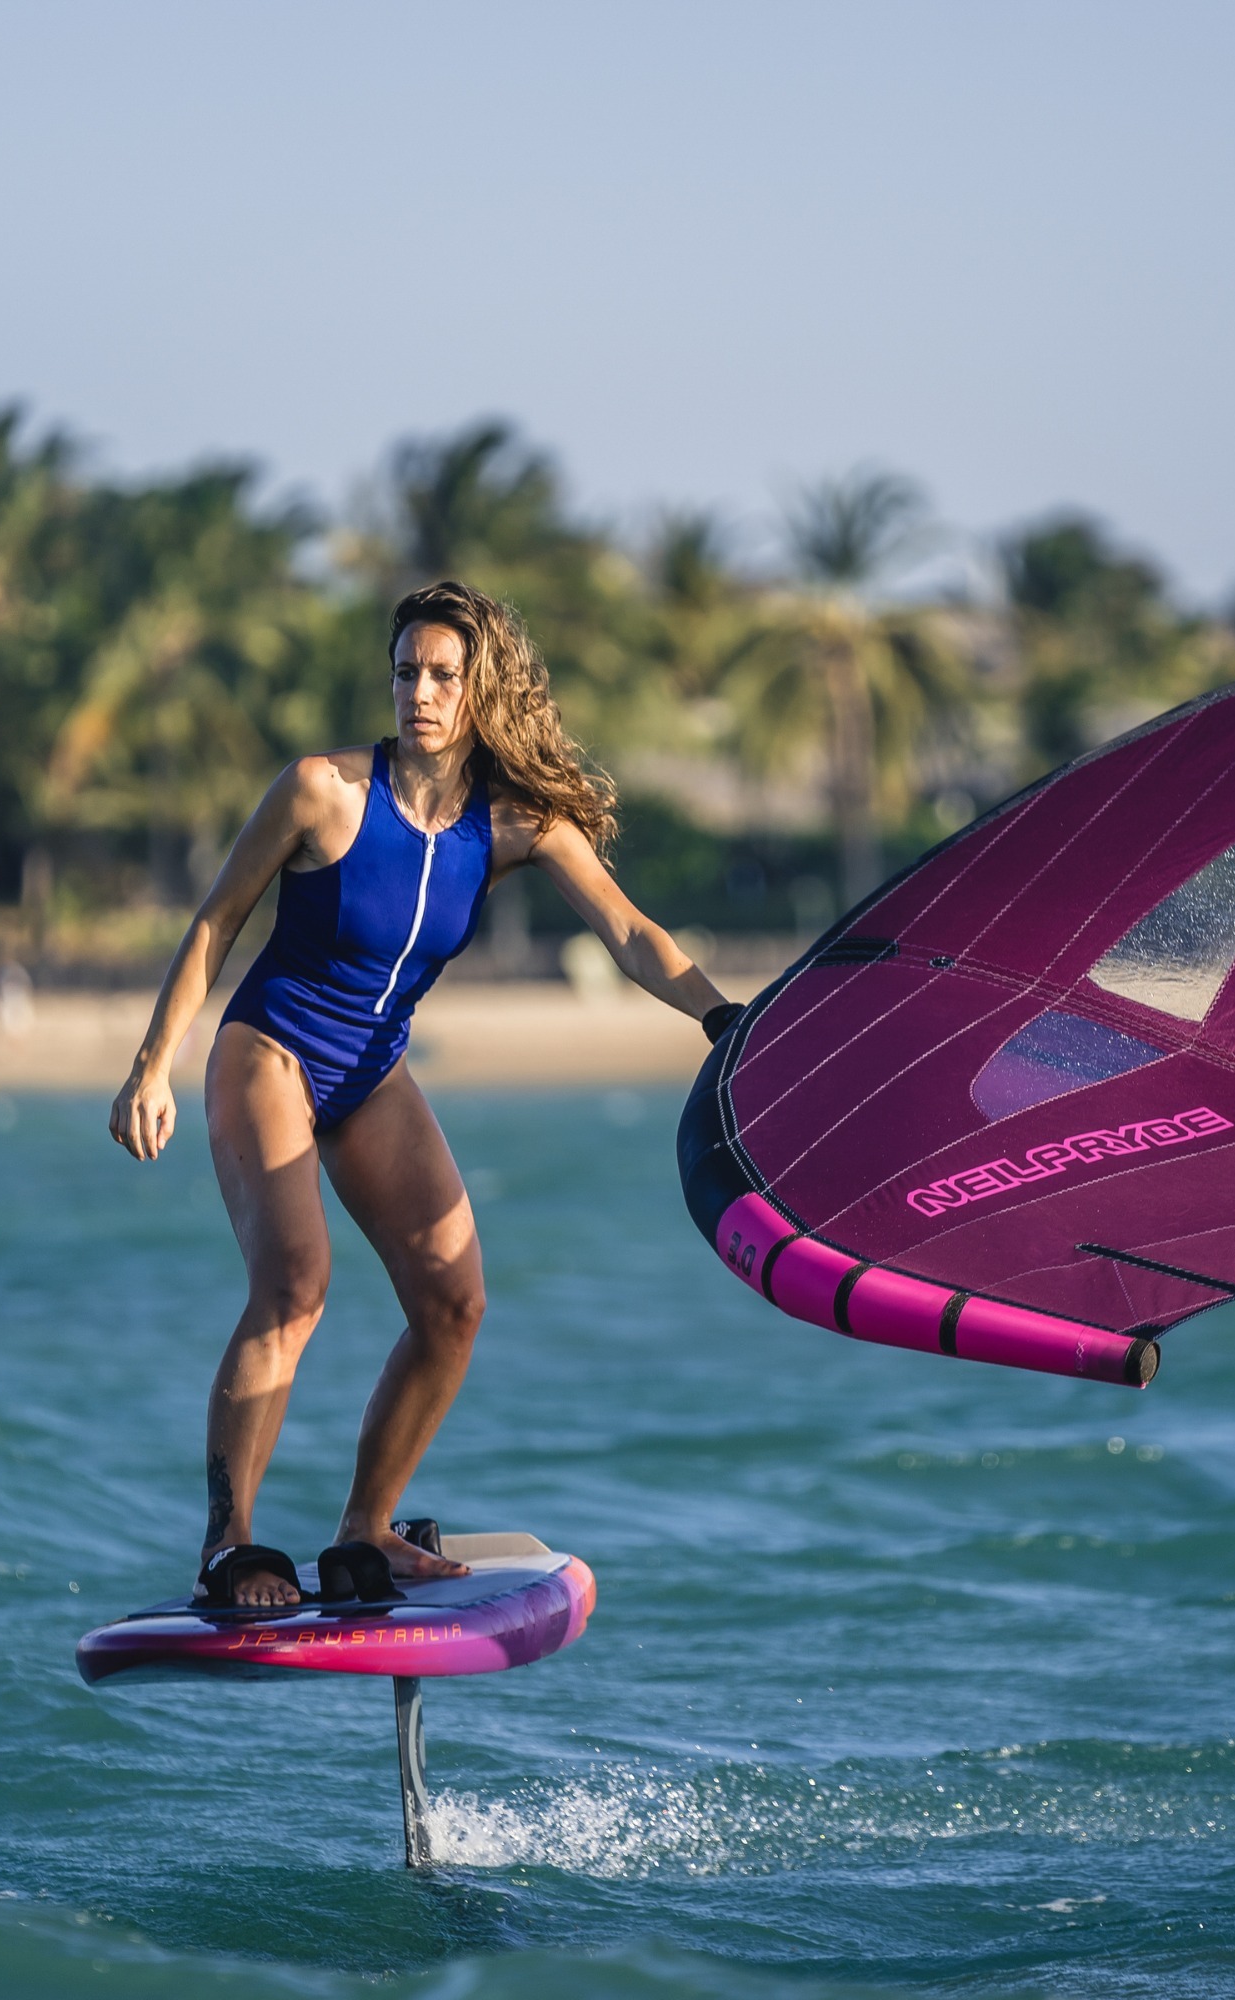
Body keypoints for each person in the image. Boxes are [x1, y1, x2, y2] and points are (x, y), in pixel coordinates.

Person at [109, 581, 737, 1608]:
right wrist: (152, 1064)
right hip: (271, 1050)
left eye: (444, 675)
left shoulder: (514, 821)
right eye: (407, 672)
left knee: (453, 1303)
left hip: (372, 1071)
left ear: (479, 689)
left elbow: (630, 932)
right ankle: (229, 1547)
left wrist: (721, 1018)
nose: (421, 693)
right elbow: (218, 921)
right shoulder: (322, 791)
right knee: (294, 1285)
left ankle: (366, 1527)